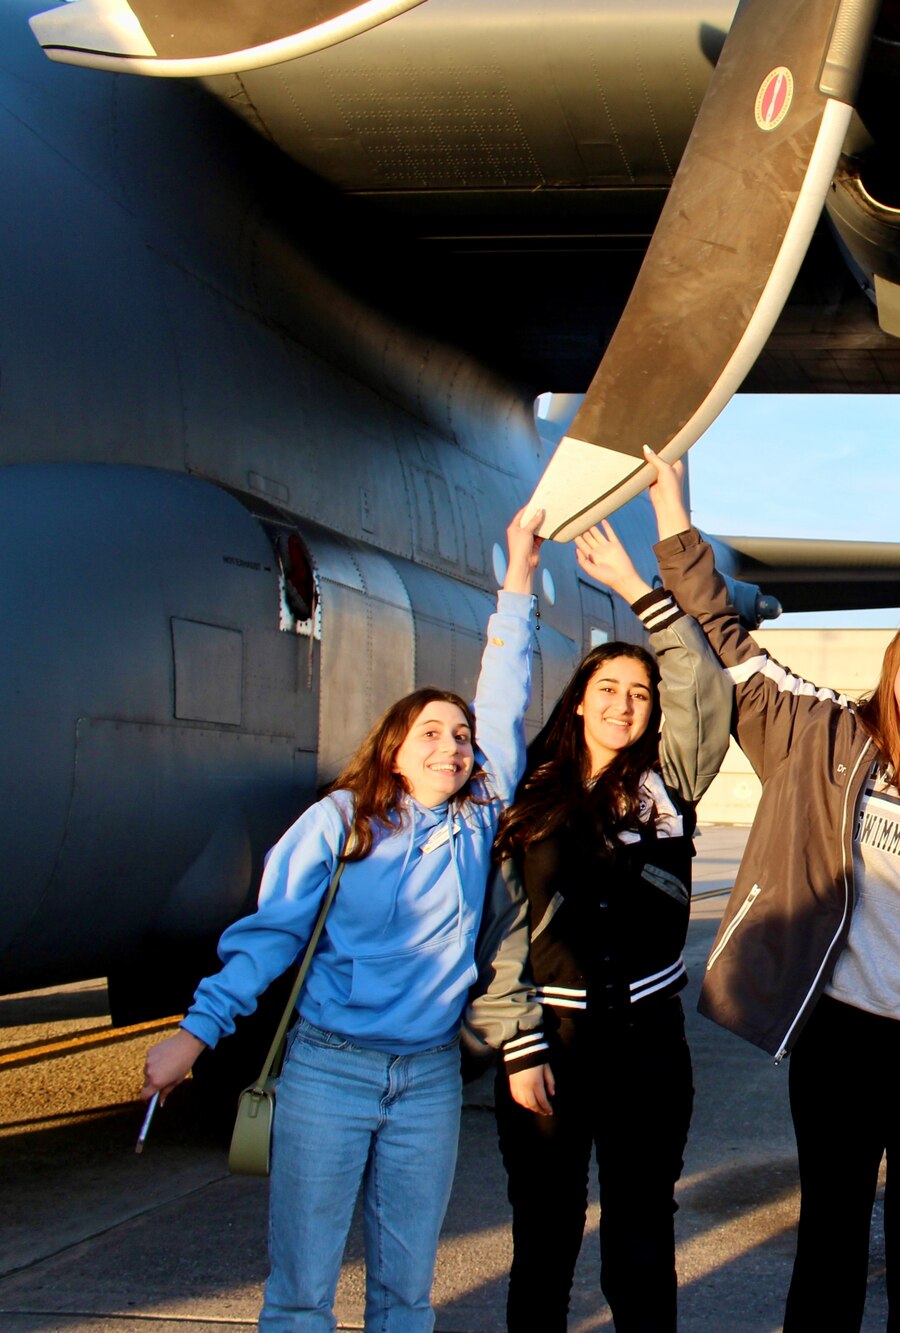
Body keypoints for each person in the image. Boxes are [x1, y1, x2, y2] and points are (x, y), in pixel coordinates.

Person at [140, 504, 546, 1333]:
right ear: (393, 746)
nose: (452, 746)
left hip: (428, 1078)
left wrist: (519, 580)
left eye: (461, 737)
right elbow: (269, 938)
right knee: (301, 1288)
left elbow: (504, 690)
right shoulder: (339, 821)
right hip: (328, 1072)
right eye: (430, 732)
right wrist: (195, 1032)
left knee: (405, 1291)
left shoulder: (476, 821)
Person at [644, 450, 900, 1331]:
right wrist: (670, 514)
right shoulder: (822, 731)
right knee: (833, 1243)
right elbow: (728, 640)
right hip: (844, 1035)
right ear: (896, 662)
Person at [465, 499, 732, 1333]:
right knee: (544, 1244)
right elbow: (502, 933)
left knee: (641, 1245)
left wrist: (632, 586)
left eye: (640, 694)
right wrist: (515, 1043)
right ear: (579, 700)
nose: (625, 704)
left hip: (648, 1048)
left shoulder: (669, 785)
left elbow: (706, 689)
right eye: (608, 689)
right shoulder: (525, 793)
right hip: (549, 1044)